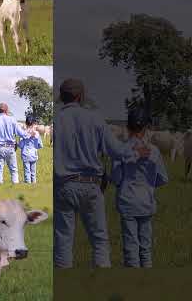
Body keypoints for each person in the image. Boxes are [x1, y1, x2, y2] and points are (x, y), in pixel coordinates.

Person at [54, 78, 151, 268]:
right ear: (80, 96)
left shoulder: (56, 120)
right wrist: (136, 152)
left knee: (63, 241)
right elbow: (116, 151)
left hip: (63, 186)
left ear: (62, 98)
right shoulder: (95, 118)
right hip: (91, 185)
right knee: (99, 240)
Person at [111, 108, 168, 268]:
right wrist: (149, 184)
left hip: (127, 202)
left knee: (130, 249)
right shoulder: (154, 151)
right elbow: (163, 179)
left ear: (127, 127)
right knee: (145, 249)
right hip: (146, 203)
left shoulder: (120, 151)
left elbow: (116, 178)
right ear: (146, 128)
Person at [0, 102, 29, 184]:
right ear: (7, 111)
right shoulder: (12, 119)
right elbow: (21, 133)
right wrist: (30, 134)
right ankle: (15, 189)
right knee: (14, 170)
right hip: (10, 147)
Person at [18, 115, 43, 184]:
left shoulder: (23, 133)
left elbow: (20, 145)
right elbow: (40, 145)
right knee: (33, 172)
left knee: (27, 171)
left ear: (26, 123)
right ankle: (34, 185)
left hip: (25, 154)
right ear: (34, 123)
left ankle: (28, 185)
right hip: (33, 155)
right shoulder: (37, 134)